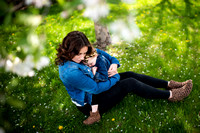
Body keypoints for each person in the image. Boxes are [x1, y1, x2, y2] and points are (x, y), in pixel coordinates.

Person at [55, 31, 193, 125]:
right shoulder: (70, 72)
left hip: (99, 83)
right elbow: (95, 89)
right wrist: (115, 78)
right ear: (69, 51)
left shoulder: (82, 54)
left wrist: (114, 64)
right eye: (79, 54)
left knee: (130, 74)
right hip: (91, 103)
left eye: (84, 53)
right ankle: (171, 95)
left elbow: (108, 56)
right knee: (129, 83)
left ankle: (169, 84)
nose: (82, 57)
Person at [82, 48, 113, 124]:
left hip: (107, 80)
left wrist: (95, 74)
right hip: (100, 80)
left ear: (95, 56)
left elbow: (105, 77)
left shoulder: (100, 61)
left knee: (93, 89)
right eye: (87, 65)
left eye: (91, 63)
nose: (89, 66)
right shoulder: (92, 60)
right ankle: (87, 101)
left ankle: (95, 115)